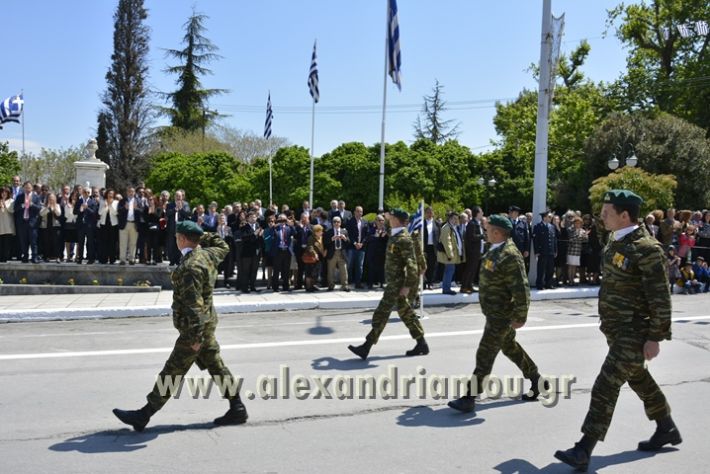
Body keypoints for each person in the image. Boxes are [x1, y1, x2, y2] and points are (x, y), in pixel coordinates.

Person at [555, 190, 681, 472]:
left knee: (606, 383)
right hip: (615, 329)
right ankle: (666, 427)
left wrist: (655, 337)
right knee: (639, 380)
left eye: (607, 212)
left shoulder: (647, 249)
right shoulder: (616, 240)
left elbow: (660, 297)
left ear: (625, 215)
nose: (601, 217)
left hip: (634, 331)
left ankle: (583, 449)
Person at [113, 221, 247, 431]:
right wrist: (201, 235)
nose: (176, 240)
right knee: (215, 365)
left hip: (194, 329)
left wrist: (195, 338)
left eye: (177, 237)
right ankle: (237, 407)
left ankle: (145, 414)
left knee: (172, 370)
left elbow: (195, 305)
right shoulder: (209, 255)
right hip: (207, 324)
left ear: (183, 239)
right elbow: (223, 244)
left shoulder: (190, 266)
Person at [448, 214, 547, 414]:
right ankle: (537, 381)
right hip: (493, 313)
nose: (485, 233)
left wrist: (520, 316)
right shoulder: (494, 250)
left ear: (497, 232)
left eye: (488, 230)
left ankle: (469, 397)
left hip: (502, 315)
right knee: (511, 348)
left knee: (484, 354)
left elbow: (521, 288)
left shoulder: (509, 254)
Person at [348, 208, 428, 360]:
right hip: (394, 282)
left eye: (391, 216)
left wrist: (407, 287)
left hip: (399, 284)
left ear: (396, 219)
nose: (387, 217)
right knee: (405, 313)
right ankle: (421, 342)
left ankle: (366, 346)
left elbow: (412, 266)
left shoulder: (403, 238)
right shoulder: (395, 233)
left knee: (381, 313)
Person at [14, 181, 42, 263]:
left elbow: (39, 208)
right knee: (23, 241)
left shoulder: (36, 197)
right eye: (26, 187)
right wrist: (22, 205)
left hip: (32, 223)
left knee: (33, 242)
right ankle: (25, 256)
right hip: (22, 222)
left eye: (29, 187)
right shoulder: (20, 197)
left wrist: (32, 205)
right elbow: (15, 208)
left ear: (32, 188)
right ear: (23, 188)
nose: (27, 189)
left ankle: (34, 257)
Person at [438, 212, 464, 295]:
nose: (456, 220)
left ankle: (446, 288)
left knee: (449, 270)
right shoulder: (447, 228)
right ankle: (446, 289)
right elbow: (447, 242)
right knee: (449, 271)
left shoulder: (452, 227)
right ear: (450, 218)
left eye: (457, 219)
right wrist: (450, 255)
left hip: (452, 254)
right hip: (450, 255)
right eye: (454, 218)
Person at [461, 206, 484, 293]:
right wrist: (483, 236)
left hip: (477, 251)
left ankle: (469, 286)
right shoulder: (472, 224)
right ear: (477, 213)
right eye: (481, 212)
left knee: (473, 269)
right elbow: (472, 237)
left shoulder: (477, 223)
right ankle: (464, 287)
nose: (482, 214)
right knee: (469, 269)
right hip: (472, 251)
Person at [532, 211, 557, 290]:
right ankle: (540, 284)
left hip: (550, 251)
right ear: (544, 217)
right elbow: (536, 240)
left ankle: (548, 284)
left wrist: (555, 250)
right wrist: (536, 252)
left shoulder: (552, 226)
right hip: (542, 252)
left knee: (550, 269)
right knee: (541, 269)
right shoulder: (538, 226)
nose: (550, 218)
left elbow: (554, 240)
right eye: (549, 217)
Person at [324, 216, 350, 291]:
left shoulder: (344, 231)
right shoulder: (329, 231)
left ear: (340, 223)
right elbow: (325, 242)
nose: (336, 223)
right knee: (330, 270)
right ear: (332, 223)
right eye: (334, 222)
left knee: (344, 270)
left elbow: (348, 242)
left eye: (338, 222)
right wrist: (332, 239)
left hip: (342, 253)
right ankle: (331, 285)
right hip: (332, 252)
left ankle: (345, 285)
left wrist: (345, 238)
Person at [345, 206, 368, 289]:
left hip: (362, 247)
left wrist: (361, 243)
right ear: (354, 212)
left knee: (360, 266)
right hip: (352, 246)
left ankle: (358, 283)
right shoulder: (350, 221)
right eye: (358, 211)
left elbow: (366, 235)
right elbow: (348, 234)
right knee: (350, 265)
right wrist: (355, 243)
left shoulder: (365, 222)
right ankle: (349, 282)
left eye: (361, 211)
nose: (359, 213)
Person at [365, 214, 388, 289]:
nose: (381, 222)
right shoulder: (371, 229)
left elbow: (388, 241)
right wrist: (376, 236)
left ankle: (382, 283)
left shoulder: (386, 230)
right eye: (379, 220)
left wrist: (385, 236)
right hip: (373, 252)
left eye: (382, 220)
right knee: (371, 268)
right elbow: (368, 239)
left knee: (382, 268)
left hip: (382, 252)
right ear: (376, 221)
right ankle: (370, 283)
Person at [39, 192, 62, 263]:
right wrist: (47, 208)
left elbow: (59, 214)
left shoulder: (57, 205)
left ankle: (57, 257)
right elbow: (41, 214)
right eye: (49, 198)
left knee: (56, 242)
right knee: (46, 242)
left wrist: (54, 208)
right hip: (45, 226)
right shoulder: (44, 205)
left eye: (52, 198)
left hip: (55, 226)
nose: (51, 200)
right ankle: (47, 256)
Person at [97, 189, 119, 264]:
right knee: (104, 242)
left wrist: (111, 205)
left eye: (112, 193)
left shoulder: (116, 202)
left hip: (113, 224)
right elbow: (99, 213)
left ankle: (112, 259)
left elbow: (116, 213)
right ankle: (104, 259)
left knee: (112, 242)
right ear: (107, 194)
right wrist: (105, 206)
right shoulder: (102, 201)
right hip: (104, 224)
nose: (110, 195)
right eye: (109, 193)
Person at [304, 224, 326, 292]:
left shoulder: (321, 237)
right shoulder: (311, 238)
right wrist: (314, 254)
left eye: (321, 231)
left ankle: (313, 285)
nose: (321, 232)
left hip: (319, 258)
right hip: (311, 257)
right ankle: (308, 287)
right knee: (309, 273)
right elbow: (310, 247)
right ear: (316, 232)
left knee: (315, 273)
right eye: (320, 231)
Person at [422, 206, 440, 289]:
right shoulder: (422, 223)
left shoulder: (436, 224)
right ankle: (423, 283)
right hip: (424, 248)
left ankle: (430, 283)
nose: (429, 214)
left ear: (433, 213)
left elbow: (439, 236)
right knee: (424, 266)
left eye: (431, 212)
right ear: (425, 213)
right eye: (427, 212)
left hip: (433, 248)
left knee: (432, 266)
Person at [0, 186, 15, 262]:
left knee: (7, 243)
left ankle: (6, 257)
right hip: (1, 225)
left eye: (5, 192)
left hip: (8, 226)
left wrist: (4, 203)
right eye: (2, 192)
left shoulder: (11, 201)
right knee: (1, 243)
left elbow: (11, 210)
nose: (4, 194)